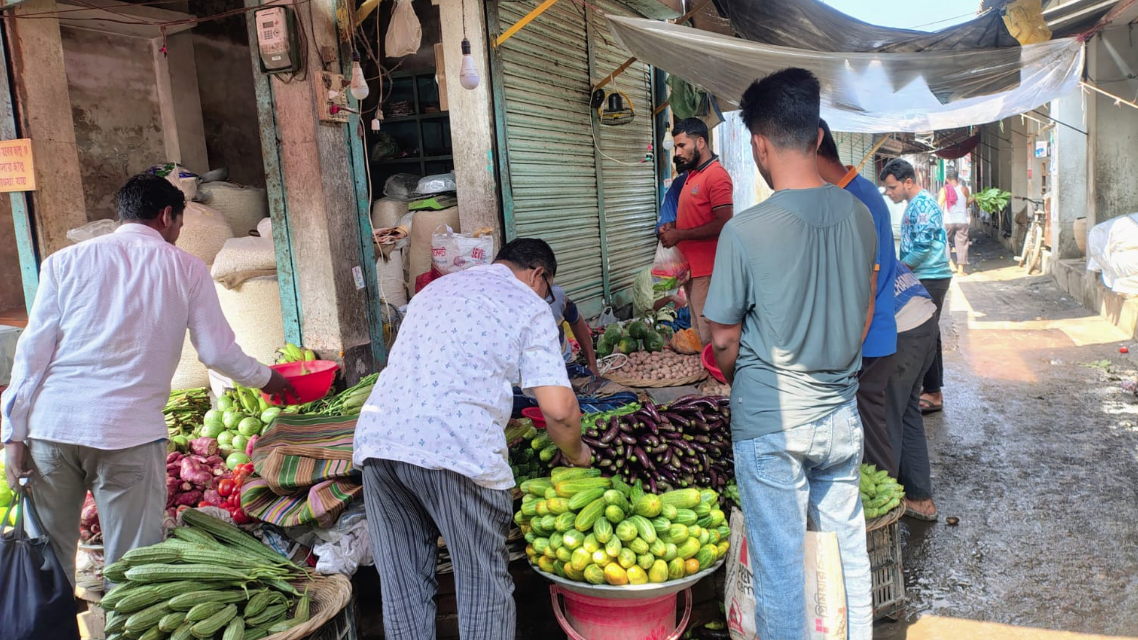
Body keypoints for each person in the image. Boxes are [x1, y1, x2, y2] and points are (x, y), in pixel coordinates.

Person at [1, 173, 293, 584]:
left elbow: (32, 355)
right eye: (178, 226)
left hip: (53, 429)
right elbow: (216, 352)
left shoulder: (62, 263)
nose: (177, 234)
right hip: (129, 436)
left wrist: (12, 436)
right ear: (166, 215)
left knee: (46, 567)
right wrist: (268, 380)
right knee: (132, 571)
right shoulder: (186, 268)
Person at [703, 68, 876, 640]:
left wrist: (734, 377)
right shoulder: (860, 215)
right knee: (847, 555)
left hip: (771, 422)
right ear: (817, 135)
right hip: (840, 414)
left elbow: (723, 338)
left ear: (758, 143)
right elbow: (865, 312)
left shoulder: (746, 231)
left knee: (780, 572)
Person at [353, 238, 590, 640]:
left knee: (404, 591)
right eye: (548, 290)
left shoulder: (435, 290)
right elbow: (560, 410)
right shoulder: (527, 304)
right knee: (483, 587)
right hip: (457, 448)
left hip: (379, 443)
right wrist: (578, 454)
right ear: (539, 276)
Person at [817, 119, 898, 474]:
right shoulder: (846, 194)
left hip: (867, 343)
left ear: (815, 144)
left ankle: (885, 519)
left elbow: (865, 289)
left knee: (870, 437)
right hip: (859, 340)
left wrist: (846, 351)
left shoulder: (859, 200)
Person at [880, 159, 953, 415]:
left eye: (892, 188)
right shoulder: (915, 204)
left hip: (931, 276)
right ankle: (930, 388)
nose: (889, 194)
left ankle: (933, 392)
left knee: (927, 335)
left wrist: (899, 270)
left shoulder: (922, 205)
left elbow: (921, 248)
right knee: (929, 333)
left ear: (907, 182)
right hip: (925, 275)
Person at [658, 117, 733, 347]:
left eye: (682, 145)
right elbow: (696, 218)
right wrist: (674, 227)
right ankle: (707, 374)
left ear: (700, 142)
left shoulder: (716, 176)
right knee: (698, 328)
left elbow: (724, 223)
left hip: (708, 270)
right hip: (691, 271)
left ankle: (717, 379)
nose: (677, 152)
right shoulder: (692, 176)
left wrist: (680, 235)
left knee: (709, 331)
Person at [887, 263, 939, 521]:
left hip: (904, 330)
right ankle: (920, 499)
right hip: (925, 319)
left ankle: (886, 504)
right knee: (907, 409)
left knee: (887, 415)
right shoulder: (866, 232)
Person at [548, 285, 599, 377]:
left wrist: (592, 364)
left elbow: (576, 321)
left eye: (548, 276)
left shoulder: (557, 295)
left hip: (565, 366)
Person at [938, 169, 972, 276]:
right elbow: (966, 205)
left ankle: (944, 267)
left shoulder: (944, 190)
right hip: (962, 221)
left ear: (947, 179)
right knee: (962, 244)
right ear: (957, 178)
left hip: (948, 221)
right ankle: (961, 270)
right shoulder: (964, 189)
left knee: (944, 243)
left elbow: (939, 205)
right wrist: (972, 200)